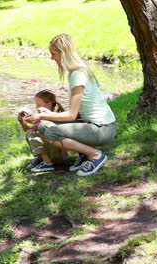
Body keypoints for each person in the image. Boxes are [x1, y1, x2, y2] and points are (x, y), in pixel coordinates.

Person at [24, 33, 117, 176]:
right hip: (94, 125)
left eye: (53, 54)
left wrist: (41, 116)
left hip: (102, 129)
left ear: (63, 53)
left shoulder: (77, 74)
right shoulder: (77, 71)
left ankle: (95, 155)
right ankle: (84, 155)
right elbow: (77, 114)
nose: (52, 58)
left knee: (50, 132)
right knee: (45, 126)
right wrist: (46, 115)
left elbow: (71, 115)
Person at [17, 89, 67, 172]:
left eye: (38, 105)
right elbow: (29, 131)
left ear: (49, 104)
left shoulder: (57, 116)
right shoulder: (41, 119)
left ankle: (47, 163)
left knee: (43, 133)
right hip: (52, 153)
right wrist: (22, 122)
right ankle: (42, 159)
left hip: (59, 155)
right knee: (30, 133)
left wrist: (28, 111)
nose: (36, 107)